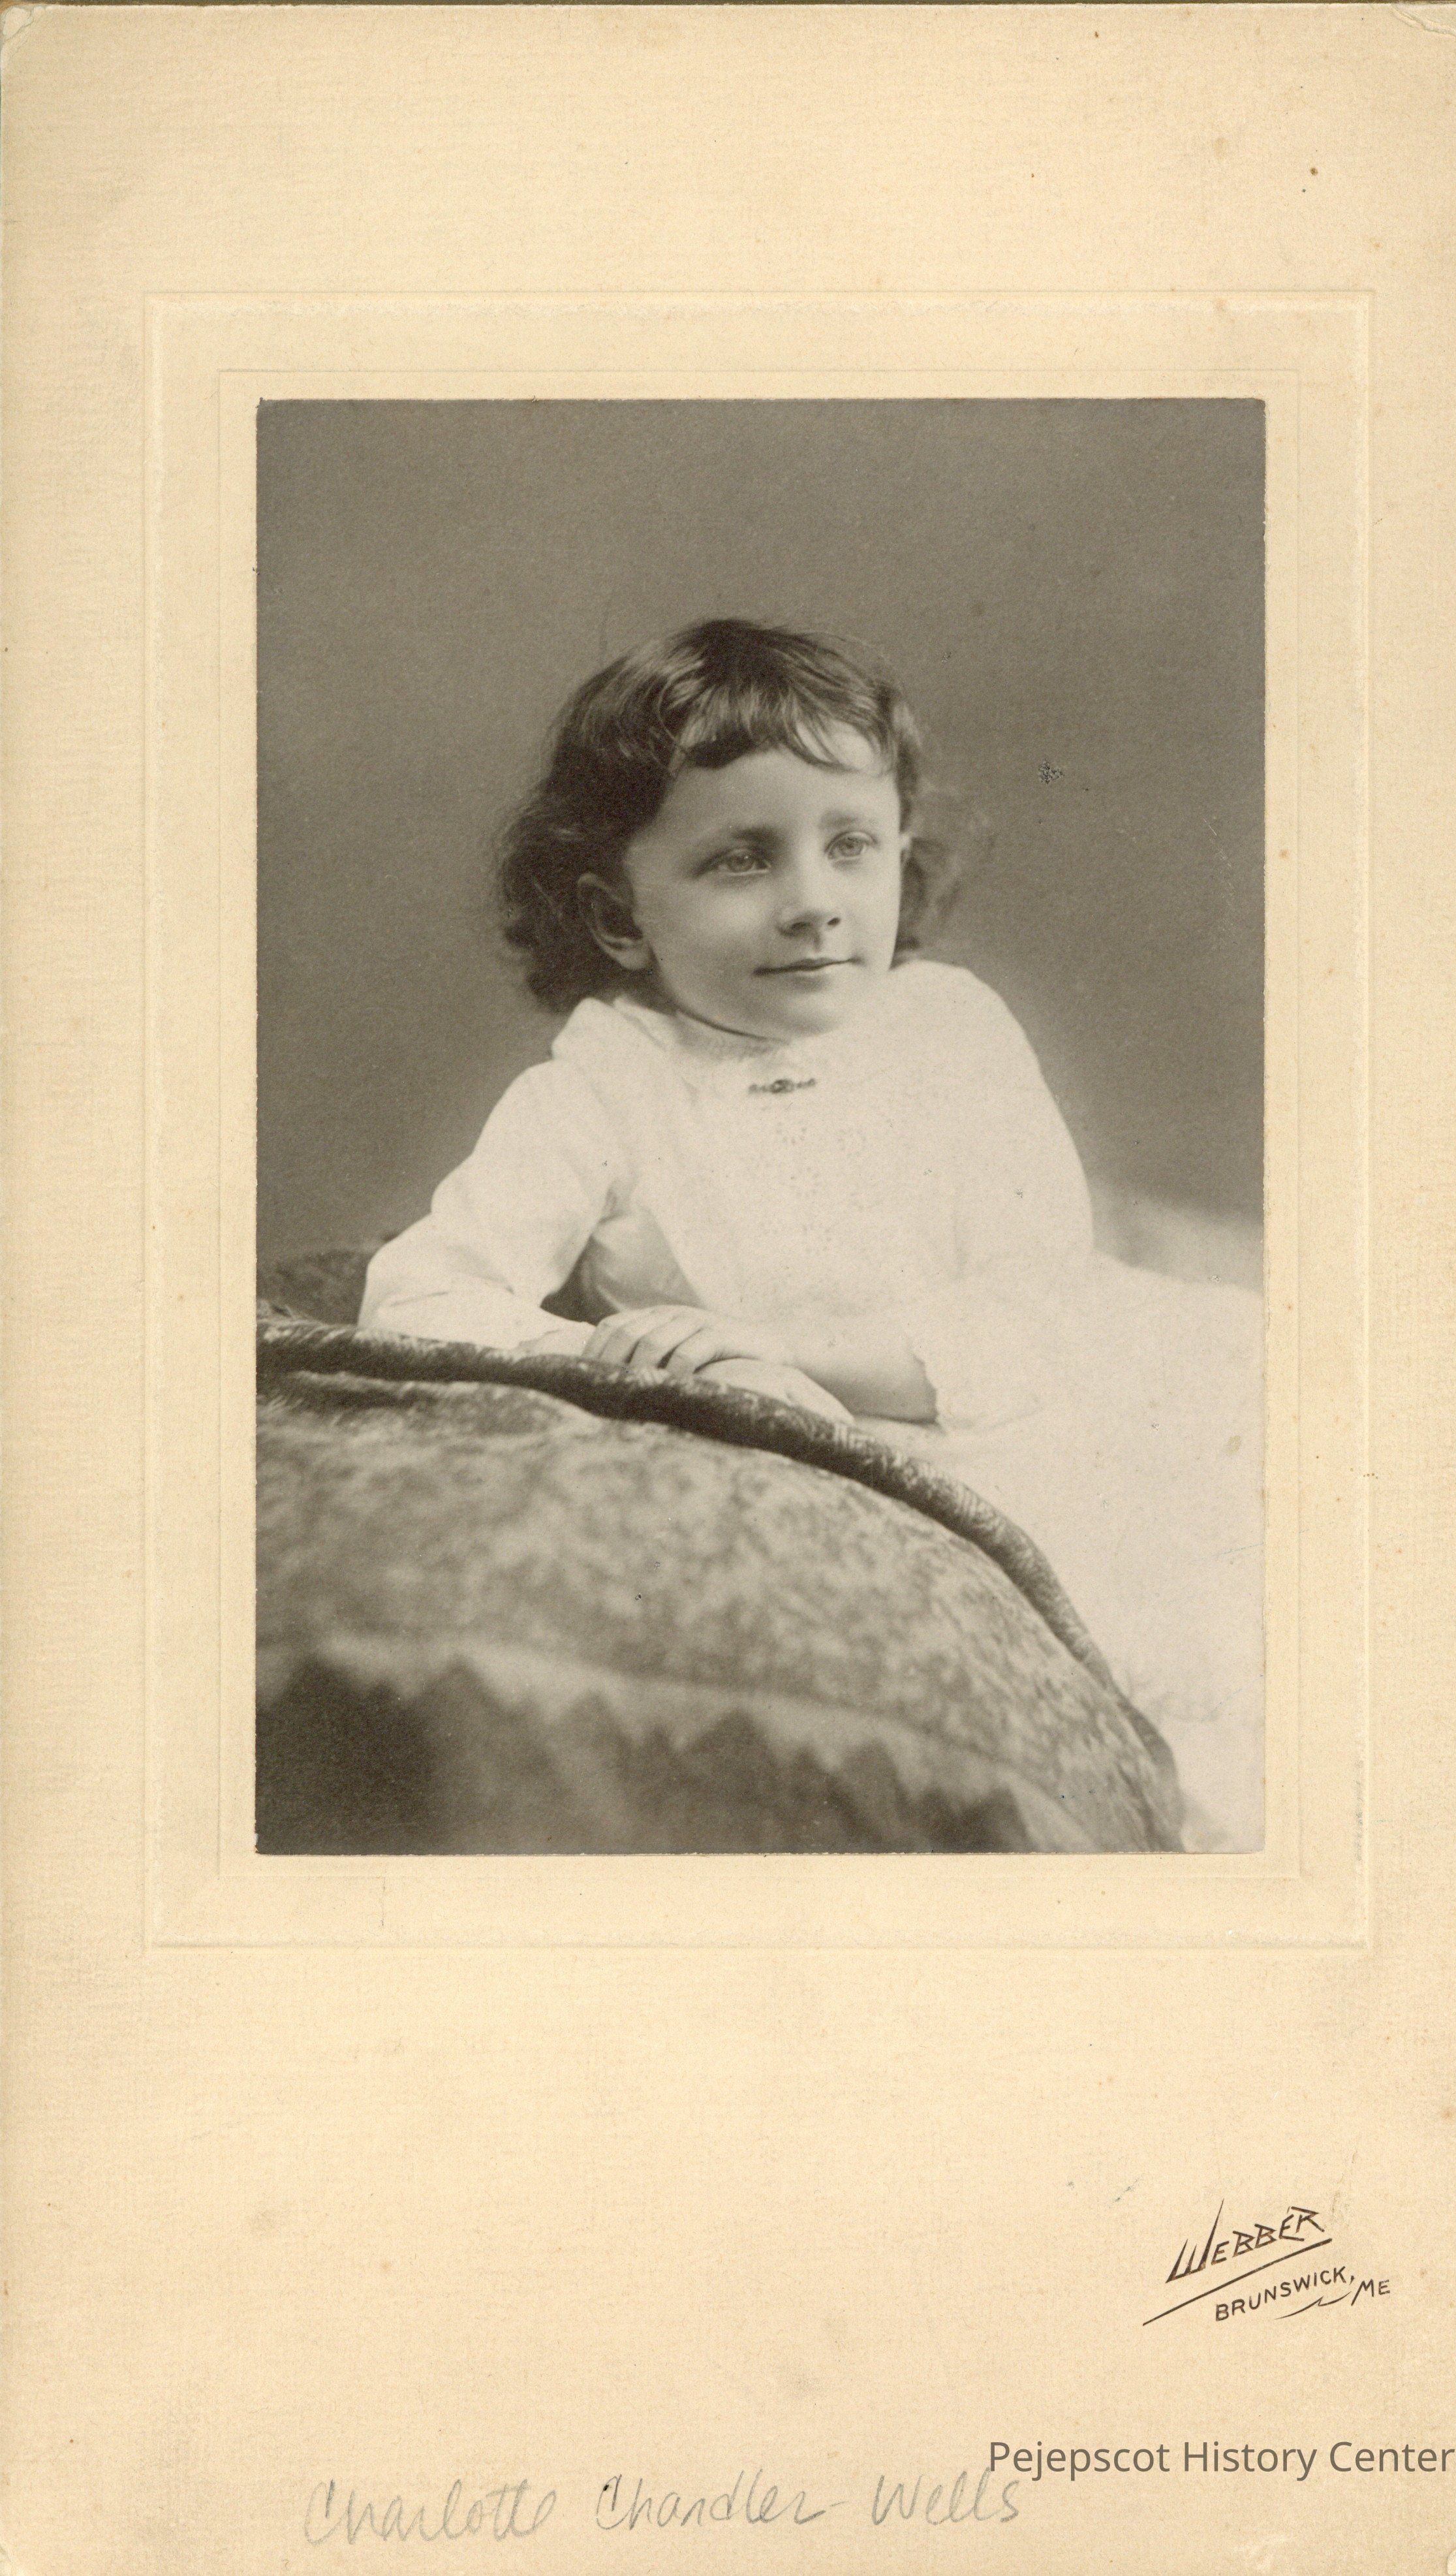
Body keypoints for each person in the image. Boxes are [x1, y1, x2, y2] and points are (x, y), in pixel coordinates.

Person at [361, 619, 1263, 1847]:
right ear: (618, 914)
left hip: (1046, 1417)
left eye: (850, 846)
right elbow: (420, 1292)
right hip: (848, 1472)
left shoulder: (950, 1030)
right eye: (742, 860)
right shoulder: (604, 1084)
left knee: (1242, 1646)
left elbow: (1039, 1309)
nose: (814, 905)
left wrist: (782, 1347)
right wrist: (627, 1357)